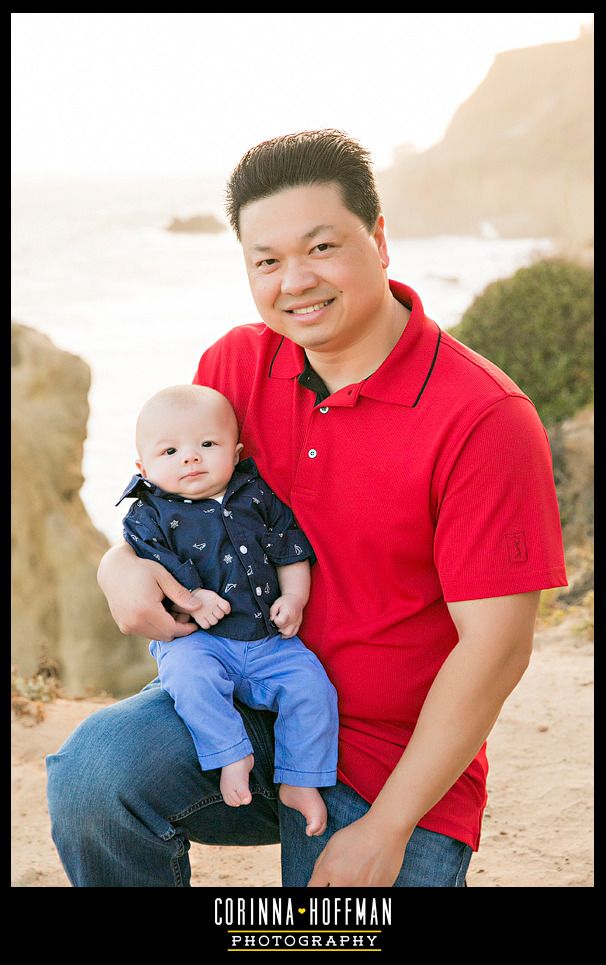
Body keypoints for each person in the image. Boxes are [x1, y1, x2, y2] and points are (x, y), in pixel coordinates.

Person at [46, 129, 567, 888]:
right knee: (95, 774)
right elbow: (175, 502)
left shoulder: (484, 417)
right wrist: (115, 565)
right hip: (245, 706)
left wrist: (387, 828)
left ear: (380, 239)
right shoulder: (234, 367)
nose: (295, 281)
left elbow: (496, 650)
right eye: (267, 260)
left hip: (392, 760)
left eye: (321, 247)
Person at [116, 382, 338, 834]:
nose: (191, 457)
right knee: (188, 678)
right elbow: (152, 565)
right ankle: (231, 754)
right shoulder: (148, 515)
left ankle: (300, 778)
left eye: (207, 445)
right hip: (199, 643)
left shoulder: (256, 496)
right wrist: (193, 598)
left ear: (236, 452)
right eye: (170, 451)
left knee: (313, 688)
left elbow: (290, 552)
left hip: (267, 640)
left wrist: (294, 598)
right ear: (143, 467)